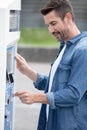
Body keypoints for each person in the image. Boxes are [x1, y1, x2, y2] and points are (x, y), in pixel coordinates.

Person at [14, 0, 87, 130]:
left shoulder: (83, 50)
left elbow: (73, 94)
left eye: (53, 23)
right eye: (48, 25)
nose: (50, 30)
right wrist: (28, 71)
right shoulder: (65, 46)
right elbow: (57, 85)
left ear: (68, 17)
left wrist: (35, 97)